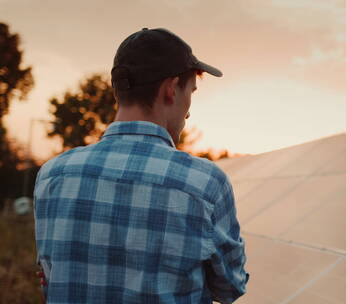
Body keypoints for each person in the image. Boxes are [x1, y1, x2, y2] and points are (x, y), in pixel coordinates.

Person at [34, 28, 248, 303]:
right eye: (190, 92)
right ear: (171, 89)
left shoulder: (52, 174)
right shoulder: (204, 182)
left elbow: (51, 280)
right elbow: (231, 287)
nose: (189, 110)